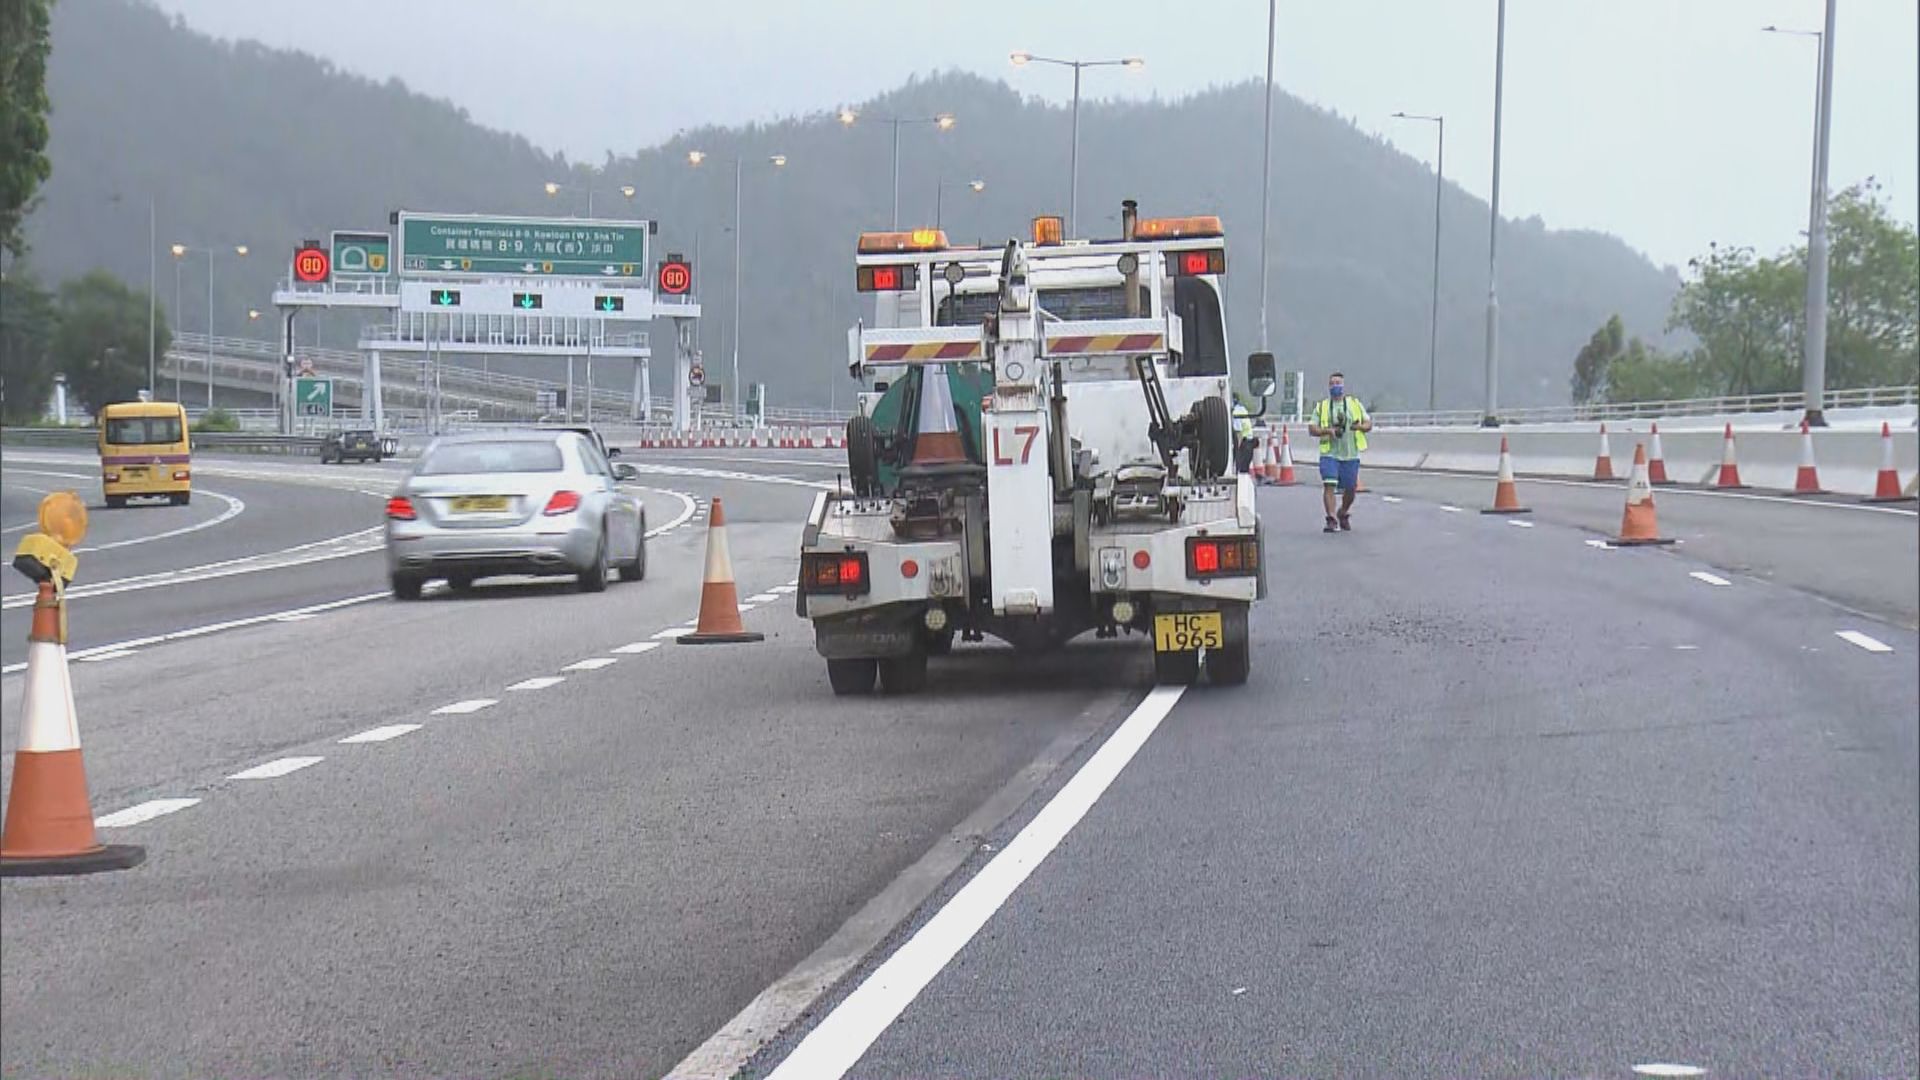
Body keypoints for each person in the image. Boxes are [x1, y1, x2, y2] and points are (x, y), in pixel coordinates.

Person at [1307, 372, 1371, 532]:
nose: (1336, 386)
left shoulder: (1354, 404)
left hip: (1350, 454)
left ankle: (1342, 512)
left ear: (1343, 386)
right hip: (1329, 453)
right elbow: (1312, 428)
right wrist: (1328, 431)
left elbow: (1368, 424)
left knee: (1350, 488)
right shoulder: (1321, 407)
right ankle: (1331, 518)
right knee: (1329, 484)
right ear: (1329, 387)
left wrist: (1358, 427)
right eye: (1333, 383)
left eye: (1338, 383)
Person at [1232, 394, 1257, 474]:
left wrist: (1237, 451)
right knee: (1245, 470)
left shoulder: (1235, 413)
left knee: (1240, 472)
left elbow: (1238, 432)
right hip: (1250, 443)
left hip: (1243, 444)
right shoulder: (1242, 409)